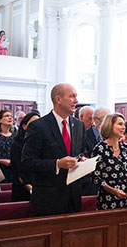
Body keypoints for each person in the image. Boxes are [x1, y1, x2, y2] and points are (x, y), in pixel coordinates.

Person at [21, 83, 86, 216]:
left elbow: (80, 152)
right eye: (72, 96)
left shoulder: (78, 125)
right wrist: (57, 164)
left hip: (73, 196)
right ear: (58, 99)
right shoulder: (38, 126)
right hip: (48, 198)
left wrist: (82, 159)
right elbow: (27, 162)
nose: (76, 101)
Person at [91, 113, 127, 210]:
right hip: (108, 199)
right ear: (110, 125)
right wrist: (113, 191)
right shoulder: (100, 149)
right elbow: (95, 177)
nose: (123, 127)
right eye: (120, 124)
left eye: (124, 125)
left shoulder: (125, 148)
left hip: (126, 197)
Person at [9, 111, 39, 202]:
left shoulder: (41, 143)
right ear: (24, 126)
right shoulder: (17, 144)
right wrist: (27, 184)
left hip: (38, 183)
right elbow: (17, 168)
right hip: (22, 185)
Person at [0, 109, 15, 183]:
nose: (10, 118)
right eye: (7, 116)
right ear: (0, 120)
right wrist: (1, 161)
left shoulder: (16, 136)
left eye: (11, 116)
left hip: (13, 171)